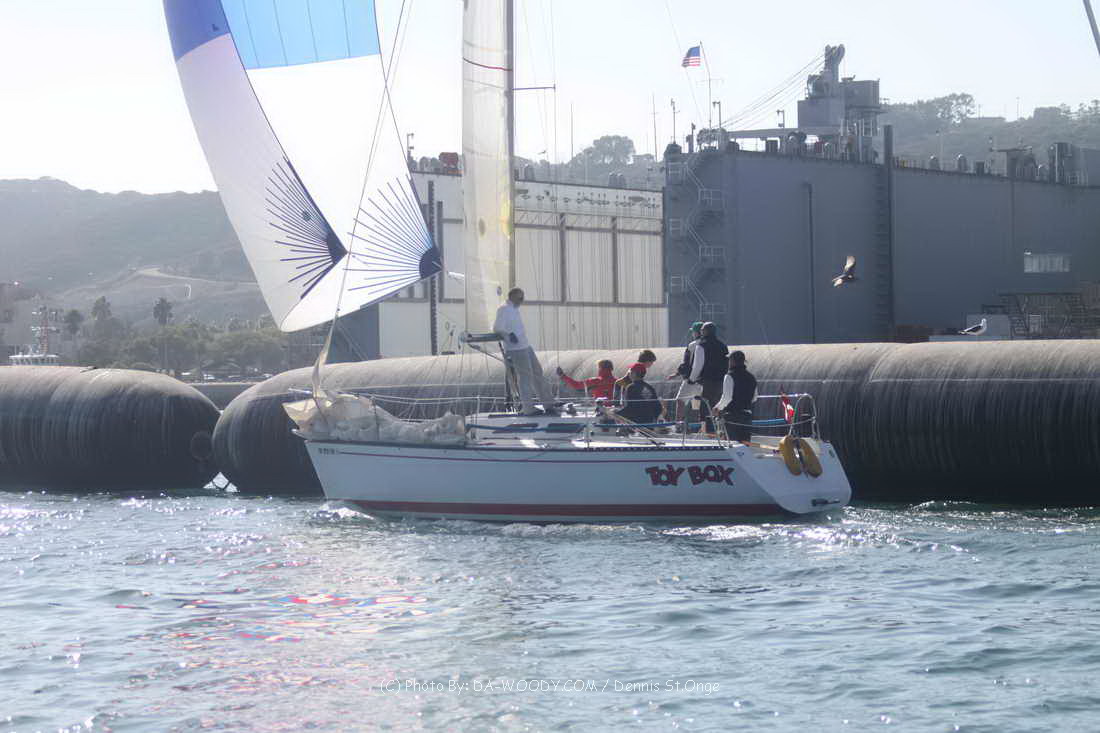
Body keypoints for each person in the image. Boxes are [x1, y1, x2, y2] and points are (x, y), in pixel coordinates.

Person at [494, 287, 556, 416]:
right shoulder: (503, 309)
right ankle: (528, 408)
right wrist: (508, 335)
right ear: (512, 297)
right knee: (525, 377)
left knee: (538, 373)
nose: (522, 300)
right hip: (515, 348)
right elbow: (497, 328)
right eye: (520, 297)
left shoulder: (514, 308)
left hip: (525, 346)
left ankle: (548, 403)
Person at [686, 322, 728, 431]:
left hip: (707, 382)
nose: (701, 332)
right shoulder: (723, 346)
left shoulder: (701, 346)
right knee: (719, 406)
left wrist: (691, 379)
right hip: (722, 382)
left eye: (702, 330)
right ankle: (722, 431)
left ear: (705, 331)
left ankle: (708, 431)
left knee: (706, 407)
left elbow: (697, 366)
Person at [714, 351, 758, 444]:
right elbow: (754, 398)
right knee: (744, 446)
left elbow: (727, 398)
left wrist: (717, 408)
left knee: (732, 445)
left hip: (732, 416)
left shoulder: (729, 376)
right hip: (746, 416)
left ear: (732, 361)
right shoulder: (751, 377)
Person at [668, 321, 704, 425]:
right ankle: (702, 425)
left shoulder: (692, 345)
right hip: (706, 381)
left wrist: (676, 374)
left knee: (680, 401)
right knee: (699, 402)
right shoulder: (710, 345)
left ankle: (678, 424)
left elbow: (686, 363)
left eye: (693, 332)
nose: (692, 334)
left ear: (697, 333)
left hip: (691, 379)